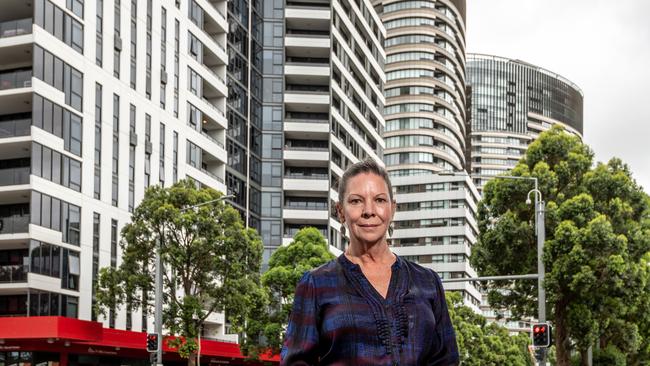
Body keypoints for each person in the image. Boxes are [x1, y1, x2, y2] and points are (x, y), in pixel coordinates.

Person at [281, 159, 460, 365]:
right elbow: (296, 362)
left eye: (380, 200)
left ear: (392, 209)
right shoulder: (316, 284)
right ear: (341, 211)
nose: (369, 210)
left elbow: (446, 359)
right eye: (356, 201)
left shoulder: (427, 282)